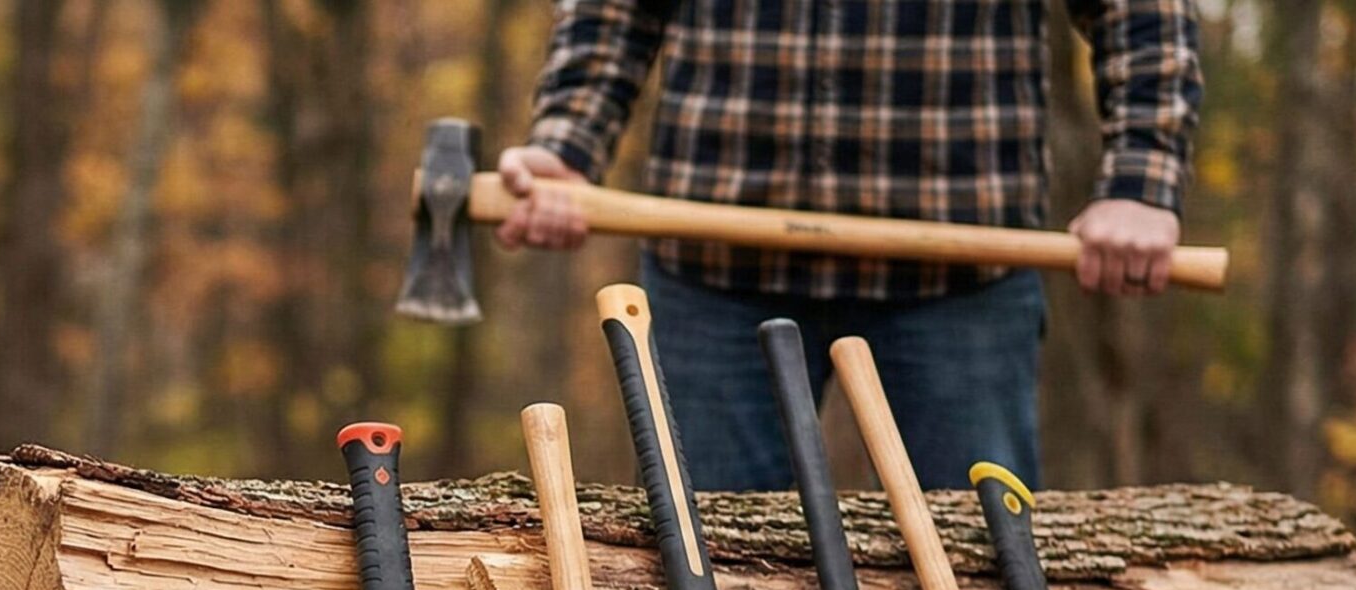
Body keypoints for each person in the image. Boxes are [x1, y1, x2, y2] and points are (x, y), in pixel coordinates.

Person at [497, 0, 1200, 490]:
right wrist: (567, 141)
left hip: (961, 279)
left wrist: (1141, 177)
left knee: (985, 577)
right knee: (703, 577)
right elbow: (613, 9)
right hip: (713, 273)